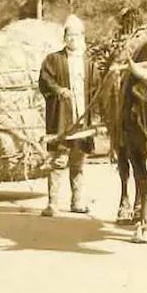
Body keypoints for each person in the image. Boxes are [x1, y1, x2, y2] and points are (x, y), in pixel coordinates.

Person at [37, 15, 97, 217]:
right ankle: (53, 203)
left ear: (82, 36)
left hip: (83, 118)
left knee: (79, 161)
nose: (73, 38)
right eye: (69, 35)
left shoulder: (89, 62)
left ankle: (77, 201)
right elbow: (45, 80)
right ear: (65, 37)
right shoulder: (53, 59)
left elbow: (96, 87)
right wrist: (59, 90)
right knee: (59, 161)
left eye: (77, 35)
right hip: (62, 117)